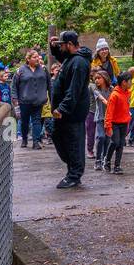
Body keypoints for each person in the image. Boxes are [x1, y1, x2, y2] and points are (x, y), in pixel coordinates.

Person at [49, 30, 93, 188]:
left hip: (71, 112)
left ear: (69, 45)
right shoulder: (71, 59)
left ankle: (74, 174)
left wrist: (62, 108)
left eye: (62, 45)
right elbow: (62, 57)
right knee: (59, 136)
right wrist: (53, 47)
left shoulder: (79, 63)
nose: (60, 48)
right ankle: (73, 169)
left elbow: (74, 89)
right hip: (64, 112)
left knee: (74, 142)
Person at [13, 49, 51, 149]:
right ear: (28, 59)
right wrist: (15, 98)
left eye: (38, 57)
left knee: (37, 120)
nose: (38, 59)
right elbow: (14, 85)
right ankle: (24, 139)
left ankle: (36, 141)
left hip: (39, 100)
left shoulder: (43, 69)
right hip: (24, 101)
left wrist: (51, 97)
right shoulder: (20, 70)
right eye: (34, 57)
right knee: (24, 121)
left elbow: (49, 84)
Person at [104, 72, 133, 174]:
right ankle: (107, 161)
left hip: (124, 123)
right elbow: (109, 112)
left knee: (121, 144)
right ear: (124, 82)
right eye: (130, 81)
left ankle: (117, 166)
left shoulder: (128, 93)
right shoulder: (114, 95)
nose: (131, 82)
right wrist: (108, 126)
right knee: (115, 142)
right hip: (114, 123)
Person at [88, 70, 111, 166]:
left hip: (109, 118)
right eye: (95, 78)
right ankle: (97, 160)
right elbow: (101, 98)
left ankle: (104, 158)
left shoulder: (112, 89)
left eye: (99, 78)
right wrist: (110, 103)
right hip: (100, 117)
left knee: (107, 139)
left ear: (105, 78)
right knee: (101, 137)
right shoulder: (96, 90)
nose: (96, 80)